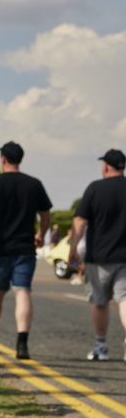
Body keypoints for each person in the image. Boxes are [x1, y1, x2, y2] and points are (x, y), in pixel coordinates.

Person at [0, 142, 52, 360]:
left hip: (0, 248)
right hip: (25, 247)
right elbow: (45, 215)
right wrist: (41, 234)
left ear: (2, 159)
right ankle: (22, 344)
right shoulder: (34, 184)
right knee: (22, 291)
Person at [70, 149, 126, 362]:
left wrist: (73, 249)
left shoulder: (95, 188)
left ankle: (101, 346)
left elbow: (80, 221)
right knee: (125, 300)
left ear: (105, 166)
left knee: (99, 301)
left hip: (99, 256)